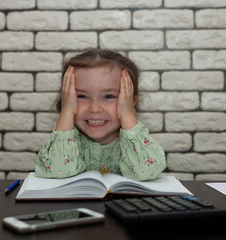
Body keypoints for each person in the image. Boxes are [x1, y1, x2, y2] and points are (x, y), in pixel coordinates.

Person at [34, 49, 166, 181]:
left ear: (130, 101)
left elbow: (148, 171)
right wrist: (67, 112)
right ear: (67, 99)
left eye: (109, 96)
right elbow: (58, 171)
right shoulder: (63, 142)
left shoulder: (137, 141)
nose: (95, 109)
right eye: (81, 96)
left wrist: (127, 114)